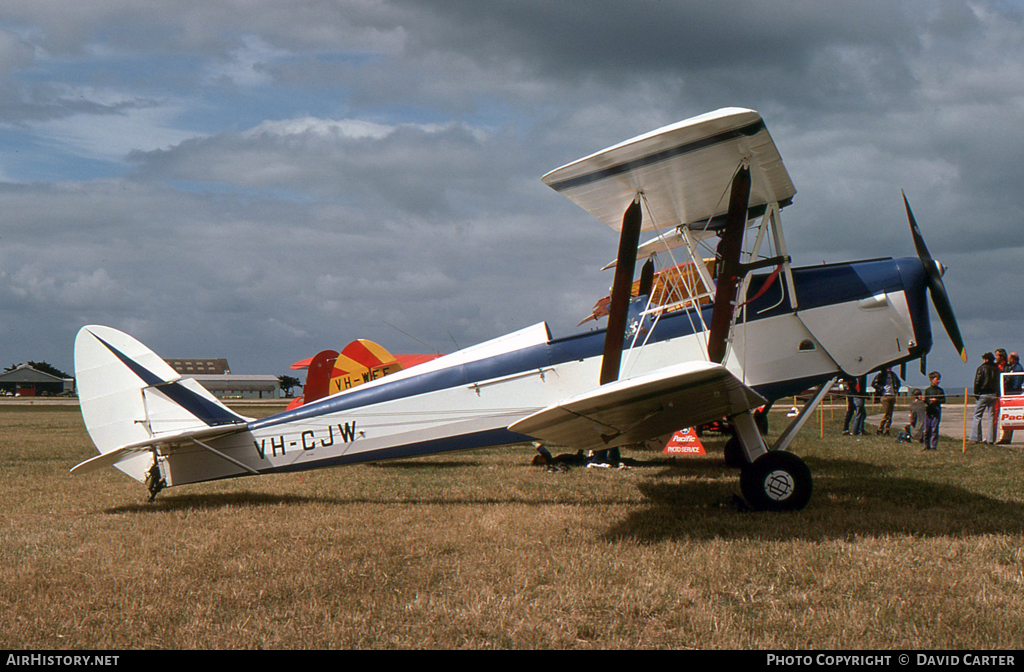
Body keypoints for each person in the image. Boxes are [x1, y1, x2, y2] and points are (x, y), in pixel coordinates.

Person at [970, 352, 999, 444]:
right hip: (993, 394)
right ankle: (991, 439)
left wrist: (976, 393)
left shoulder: (981, 368)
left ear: (985, 359)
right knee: (991, 417)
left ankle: (976, 437)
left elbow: (977, 381)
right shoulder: (997, 369)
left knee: (977, 416)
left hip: (983, 394)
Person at [996, 352, 1023, 444]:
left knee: (1007, 415)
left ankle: (1005, 437)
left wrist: (1012, 389)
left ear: (1012, 359)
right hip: (1011, 392)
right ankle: (1005, 437)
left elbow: (1017, 381)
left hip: (1012, 393)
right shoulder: (1012, 367)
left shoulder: (1017, 368)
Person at [872, 366, 901, 435]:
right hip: (885, 396)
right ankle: (880, 428)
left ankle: (887, 429)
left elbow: (898, 382)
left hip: (892, 395)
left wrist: (896, 389)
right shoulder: (880, 375)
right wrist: (881, 388)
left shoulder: (893, 375)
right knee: (887, 413)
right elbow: (874, 384)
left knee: (890, 414)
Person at [923, 371, 945, 451]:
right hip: (929, 410)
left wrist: (936, 400)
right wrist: (927, 400)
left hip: (936, 410)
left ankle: (933, 446)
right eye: (937, 379)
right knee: (927, 429)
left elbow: (943, 400)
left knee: (934, 429)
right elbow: (925, 400)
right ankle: (926, 445)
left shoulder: (940, 390)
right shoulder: (928, 390)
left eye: (939, 379)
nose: (939, 381)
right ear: (932, 379)